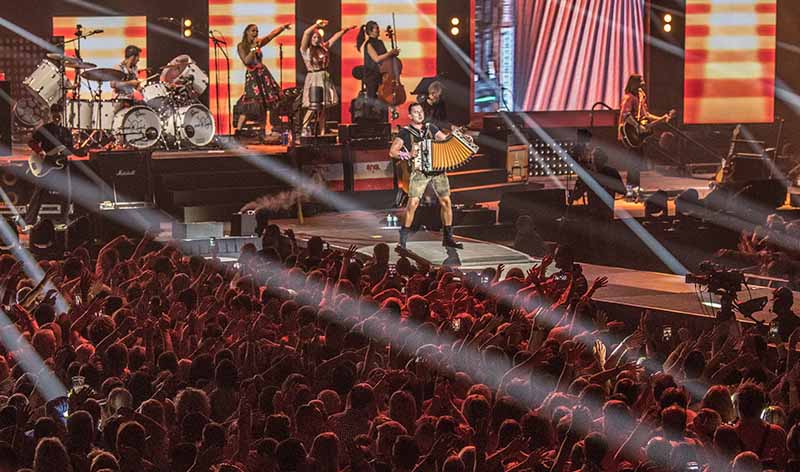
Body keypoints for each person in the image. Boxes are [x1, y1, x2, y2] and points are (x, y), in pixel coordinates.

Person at [389, 102, 461, 249]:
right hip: (420, 171)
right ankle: (402, 240)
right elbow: (392, 152)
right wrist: (407, 154)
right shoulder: (405, 132)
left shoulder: (431, 127)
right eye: (416, 112)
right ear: (410, 116)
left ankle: (448, 238)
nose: (420, 114)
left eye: (421, 111)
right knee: (413, 204)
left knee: (446, 202)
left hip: (437, 169)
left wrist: (458, 137)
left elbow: (445, 141)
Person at [234, 23, 292, 142]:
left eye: (257, 31)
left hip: (263, 75)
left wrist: (282, 28)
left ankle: (262, 132)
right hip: (253, 77)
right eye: (253, 31)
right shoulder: (241, 46)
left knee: (264, 105)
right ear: (247, 32)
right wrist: (254, 48)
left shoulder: (259, 42)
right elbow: (247, 61)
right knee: (248, 105)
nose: (256, 33)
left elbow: (271, 36)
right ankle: (238, 133)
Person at [23, 103, 77, 229]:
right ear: (51, 114)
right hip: (47, 164)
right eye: (54, 113)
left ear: (62, 114)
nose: (57, 116)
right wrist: (40, 151)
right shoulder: (45, 129)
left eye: (59, 113)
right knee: (39, 193)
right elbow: (31, 141)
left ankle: (62, 221)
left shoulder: (66, 131)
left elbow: (70, 149)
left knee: (67, 193)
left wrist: (74, 151)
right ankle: (29, 221)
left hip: (62, 164)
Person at [618, 73, 671, 198]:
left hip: (637, 134)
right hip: (629, 132)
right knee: (632, 161)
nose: (643, 83)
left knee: (637, 161)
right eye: (640, 81)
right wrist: (637, 126)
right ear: (633, 83)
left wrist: (661, 119)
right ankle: (631, 190)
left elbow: (645, 115)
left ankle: (635, 188)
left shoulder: (641, 96)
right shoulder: (628, 98)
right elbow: (626, 115)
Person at [300, 20, 356, 137]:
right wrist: (316, 25)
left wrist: (346, 30)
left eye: (318, 37)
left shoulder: (323, 48)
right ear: (310, 39)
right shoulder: (306, 50)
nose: (316, 39)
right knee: (313, 105)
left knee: (323, 107)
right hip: (314, 78)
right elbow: (306, 33)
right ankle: (304, 128)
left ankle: (322, 131)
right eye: (314, 37)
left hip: (324, 78)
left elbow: (335, 38)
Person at [356, 21, 399, 119]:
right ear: (370, 31)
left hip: (381, 73)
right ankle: (369, 120)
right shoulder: (368, 44)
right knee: (372, 98)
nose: (379, 30)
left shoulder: (380, 42)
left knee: (383, 99)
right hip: (372, 74)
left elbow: (385, 58)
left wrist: (392, 55)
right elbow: (376, 59)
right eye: (376, 28)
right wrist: (390, 53)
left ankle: (383, 119)